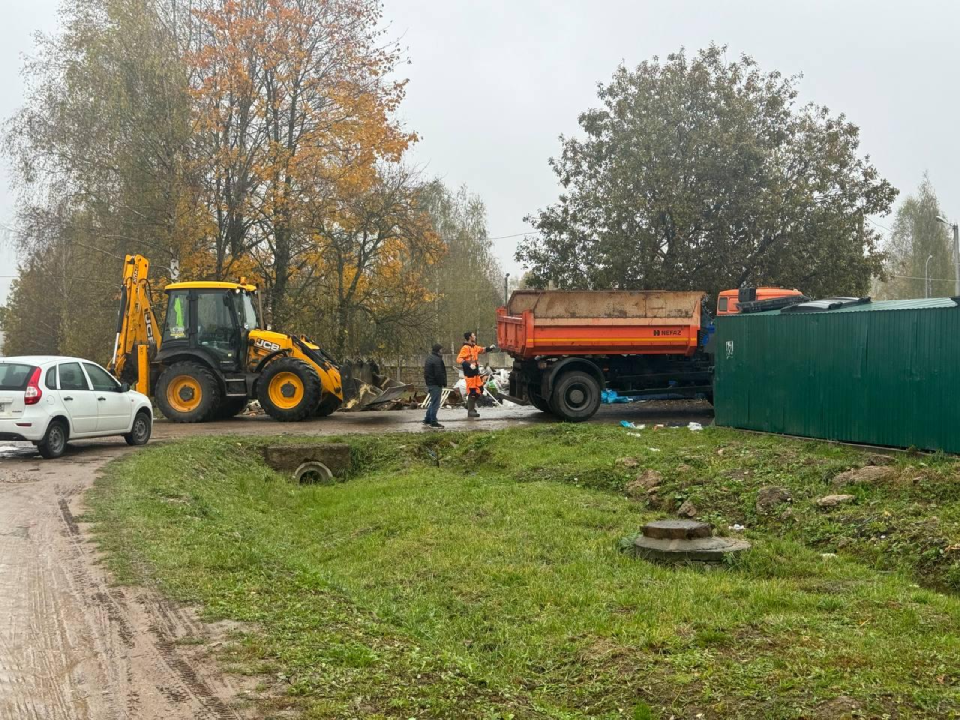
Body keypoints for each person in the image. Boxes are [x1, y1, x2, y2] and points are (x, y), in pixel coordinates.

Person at [456, 331, 496, 418]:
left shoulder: (474, 347)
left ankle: (469, 405)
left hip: (476, 373)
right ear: (470, 337)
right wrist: (469, 365)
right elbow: (459, 359)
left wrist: (491, 348)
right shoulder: (465, 348)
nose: (475, 336)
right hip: (469, 373)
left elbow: (482, 350)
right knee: (472, 392)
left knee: (480, 390)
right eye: (473, 335)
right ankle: (471, 411)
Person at [422, 343, 446, 428]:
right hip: (435, 384)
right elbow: (439, 374)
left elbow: (426, 372)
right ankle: (433, 421)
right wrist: (442, 383)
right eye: (441, 350)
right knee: (435, 403)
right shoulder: (437, 360)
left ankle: (427, 419)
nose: (442, 351)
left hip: (430, 383)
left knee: (433, 401)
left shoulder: (429, 358)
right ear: (439, 350)